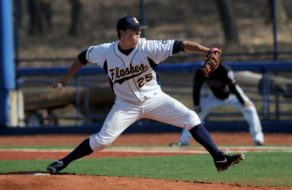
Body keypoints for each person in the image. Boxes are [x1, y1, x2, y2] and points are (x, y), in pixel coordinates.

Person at [46, 15, 244, 174]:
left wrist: (206, 50)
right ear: (122, 33)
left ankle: (219, 158)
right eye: (134, 31)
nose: (138, 34)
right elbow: (82, 57)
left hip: (155, 100)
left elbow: (181, 45)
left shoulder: (148, 47)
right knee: (101, 142)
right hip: (125, 105)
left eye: (139, 31)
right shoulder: (104, 51)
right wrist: (65, 77)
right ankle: (63, 161)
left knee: (191, 117)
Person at [169, 63, 264, 147]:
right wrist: (197, 104)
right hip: (215, 97)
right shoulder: (201, 71)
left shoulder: (225, 70)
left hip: (232, 95)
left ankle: (258, 139)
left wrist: (243, 102)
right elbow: (196, 88)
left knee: (250, 109)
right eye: (209, 58)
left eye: (214, 59)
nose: (212, 61)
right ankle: (183, 141)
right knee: (194, 114)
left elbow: (233, 87)